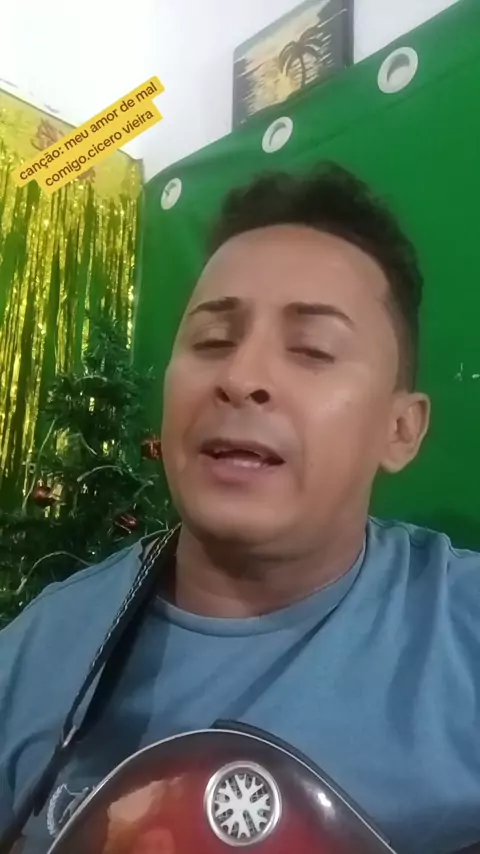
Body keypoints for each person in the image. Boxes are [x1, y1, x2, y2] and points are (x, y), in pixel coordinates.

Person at [1, 164, 479, 854]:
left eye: (312, 349)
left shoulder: (463, 631)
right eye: (212, 341)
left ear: (400, 429)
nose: (240, 377)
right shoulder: (39, 653)